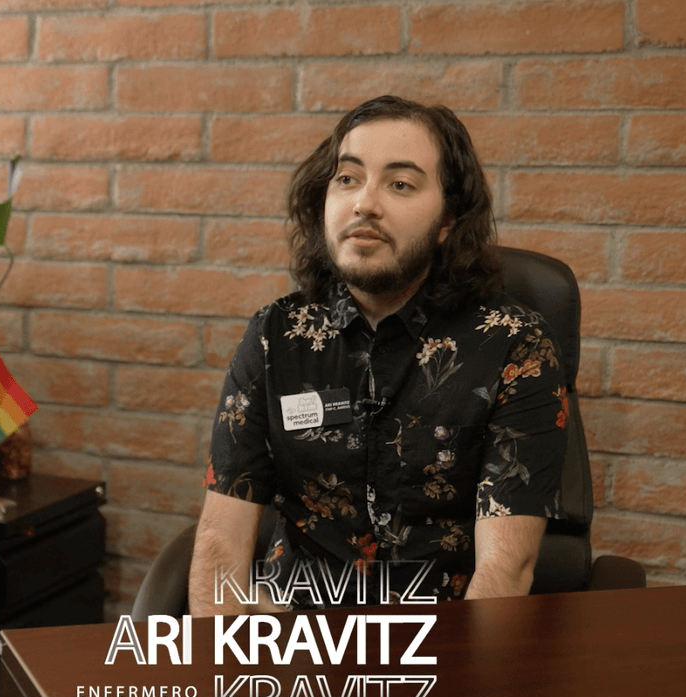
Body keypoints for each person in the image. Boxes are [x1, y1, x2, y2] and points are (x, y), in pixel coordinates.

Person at [188, 95, 569, 616]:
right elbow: (220, 540)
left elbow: (505, 571)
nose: (364, 204)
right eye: (347, 178)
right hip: (294, 629)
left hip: (441, 635)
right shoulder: (276, 336)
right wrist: (229, 648)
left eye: (400, 184)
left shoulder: (514, 345)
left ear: (448, 219)